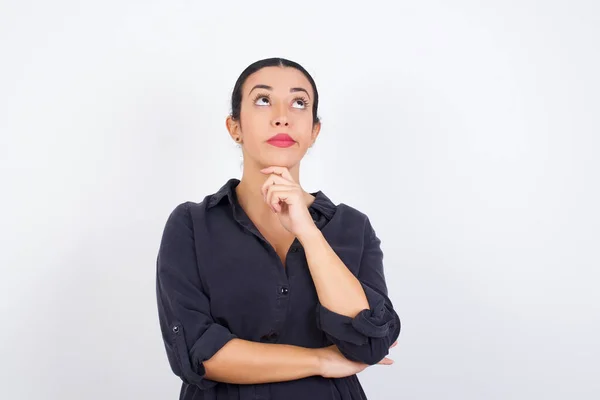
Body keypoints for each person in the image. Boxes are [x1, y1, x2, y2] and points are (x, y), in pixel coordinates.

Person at [156, 57, 401, 400]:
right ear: (234, 127)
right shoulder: (192, 225)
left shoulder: (352, 228)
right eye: (263, 100)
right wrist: (320, 360)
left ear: (314, 131)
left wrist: (309, 233)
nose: (282, 116)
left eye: (299, 103)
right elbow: (200, 352)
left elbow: (369, 342)